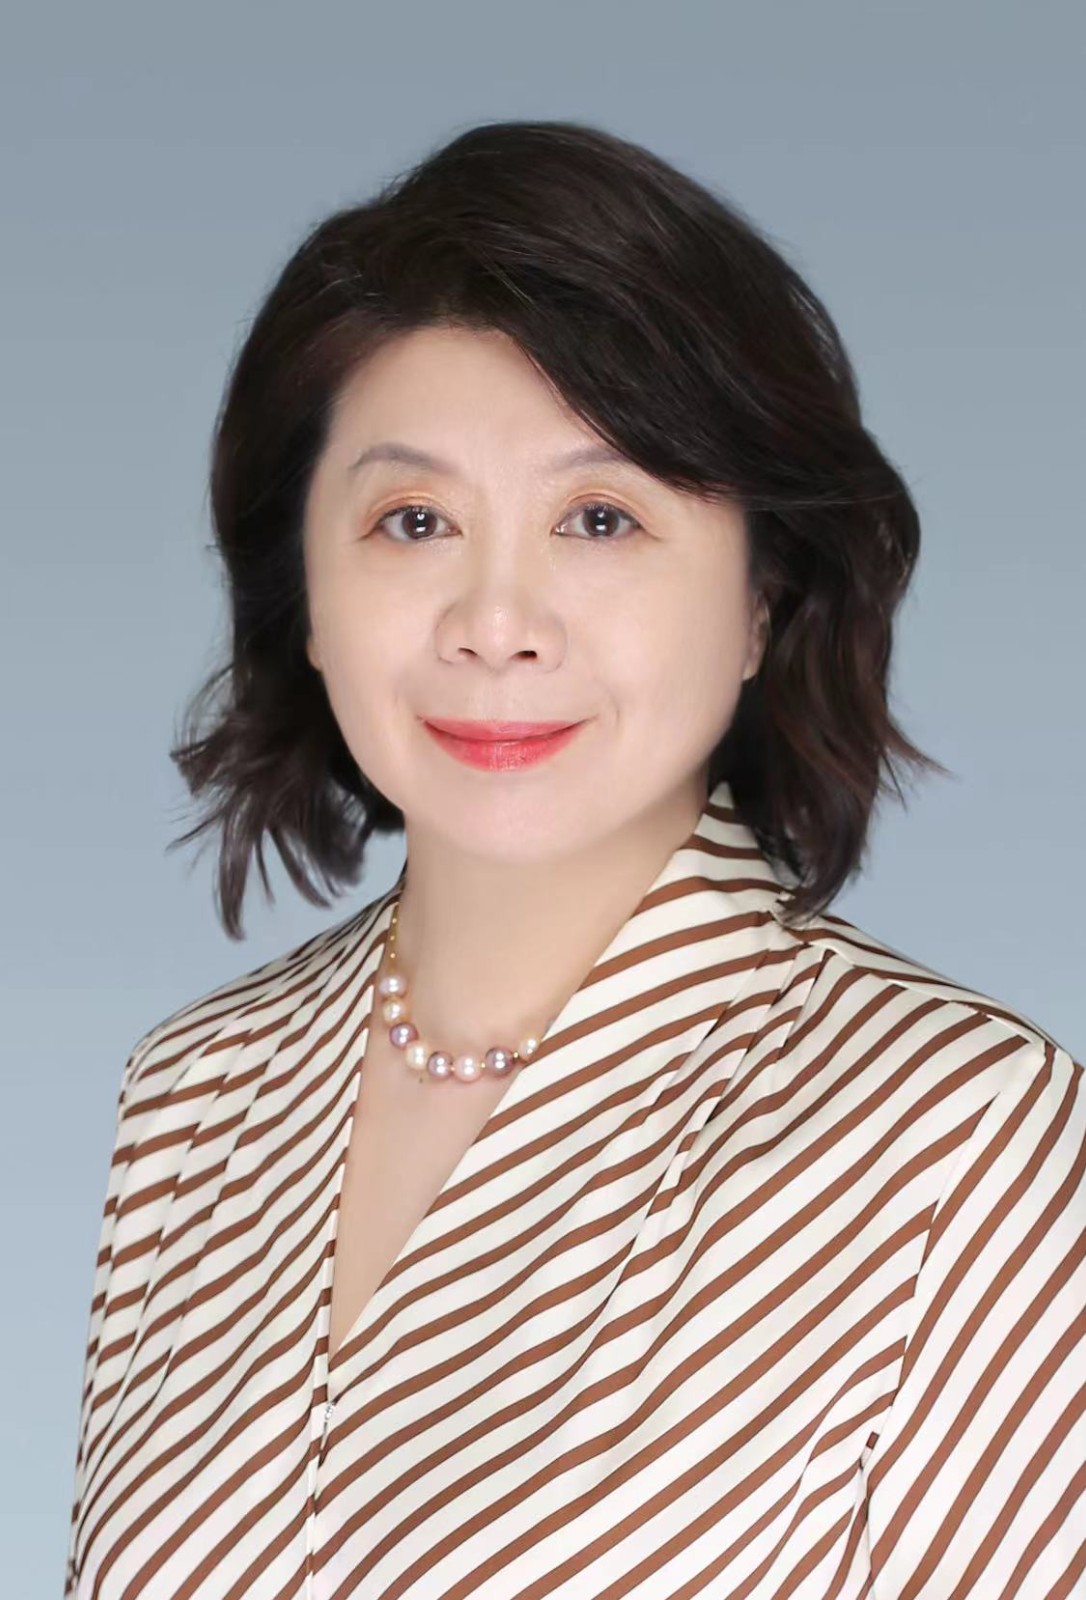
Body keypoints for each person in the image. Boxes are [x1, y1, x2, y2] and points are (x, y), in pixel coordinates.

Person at [66, 119, 1083, 1600]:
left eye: (599, 519)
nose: (496, 623)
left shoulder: (960, 1134)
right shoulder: (192, 1099)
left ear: (761, 600)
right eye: (414, 521)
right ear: (303, 596)